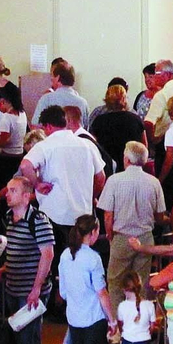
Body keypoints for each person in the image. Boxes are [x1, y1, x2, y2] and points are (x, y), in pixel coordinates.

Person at [0, 176, 53, 344]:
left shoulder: (38, 221)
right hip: (14, 288)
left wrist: (36, 289)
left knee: (28, 343)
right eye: (8, 190)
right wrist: (6, 267)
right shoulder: (10, 219)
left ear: (27, 195)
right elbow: (18, 248)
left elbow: (47, 255)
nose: (7, 195)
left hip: (29, 293)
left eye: (13, 191)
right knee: (22, 342)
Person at [19, 104, 107, 250]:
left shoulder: (45, 146)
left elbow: (25, 166)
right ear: (65, 122)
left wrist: (38, 184)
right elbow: (100, 177)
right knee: (80, 255)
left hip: (54, 213)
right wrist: (91, 196)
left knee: (57, 258)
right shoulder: (87, 145)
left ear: (47, 127)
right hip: (83, 213)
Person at [59, 214, 118, 344]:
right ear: (92, 233)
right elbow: (102, 293)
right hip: (93, 318)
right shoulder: (93, 258)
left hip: (74, 317)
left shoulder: (66, 255)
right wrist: (112, 320)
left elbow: (63, 292)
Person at [98, 140, 165, 291]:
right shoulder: (154, 183)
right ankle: (141, 313)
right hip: (146, 237)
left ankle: (118, 314)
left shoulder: (114, 180)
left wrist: (109, 235)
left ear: (127, 159)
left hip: (121, 236)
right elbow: (159, 217)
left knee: (116, 281)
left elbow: (108, 215)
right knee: (141, 282)